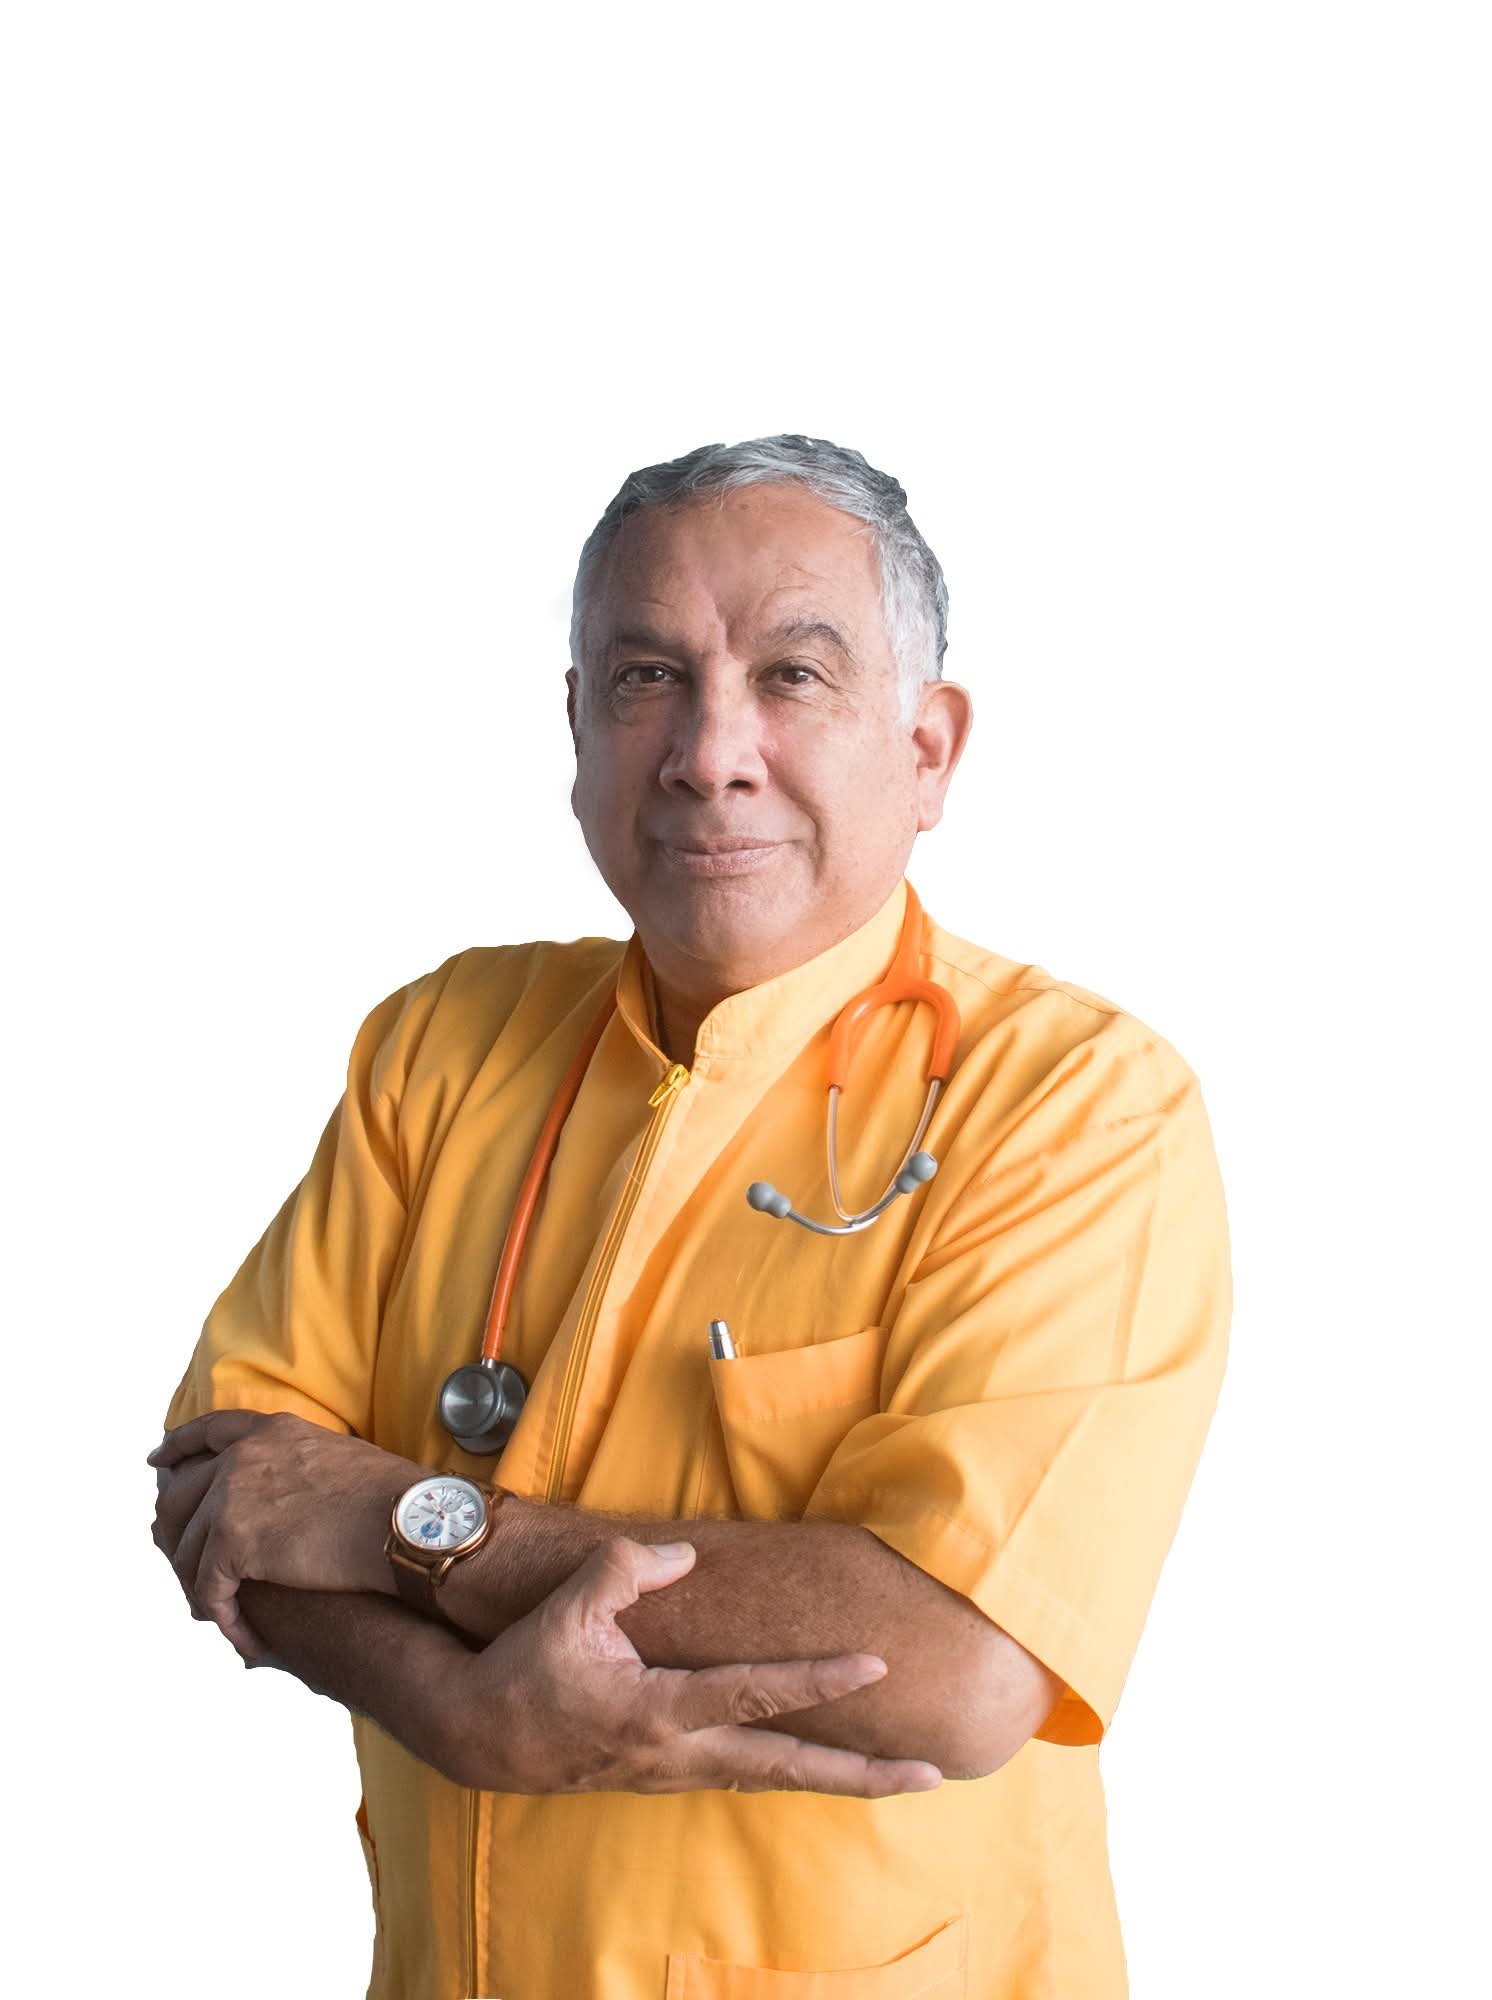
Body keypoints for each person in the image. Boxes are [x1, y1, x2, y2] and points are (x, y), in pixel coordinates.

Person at [148, 434, 1232, 2000]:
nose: (711, 752)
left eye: (792, 675)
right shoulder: (442, 1046)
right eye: (649, 677)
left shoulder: (1074, 1106)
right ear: (578, 725)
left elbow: (955, 1664)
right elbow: (228, 1489)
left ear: (928, 749)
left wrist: (407, 1523)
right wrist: (459, 1716)